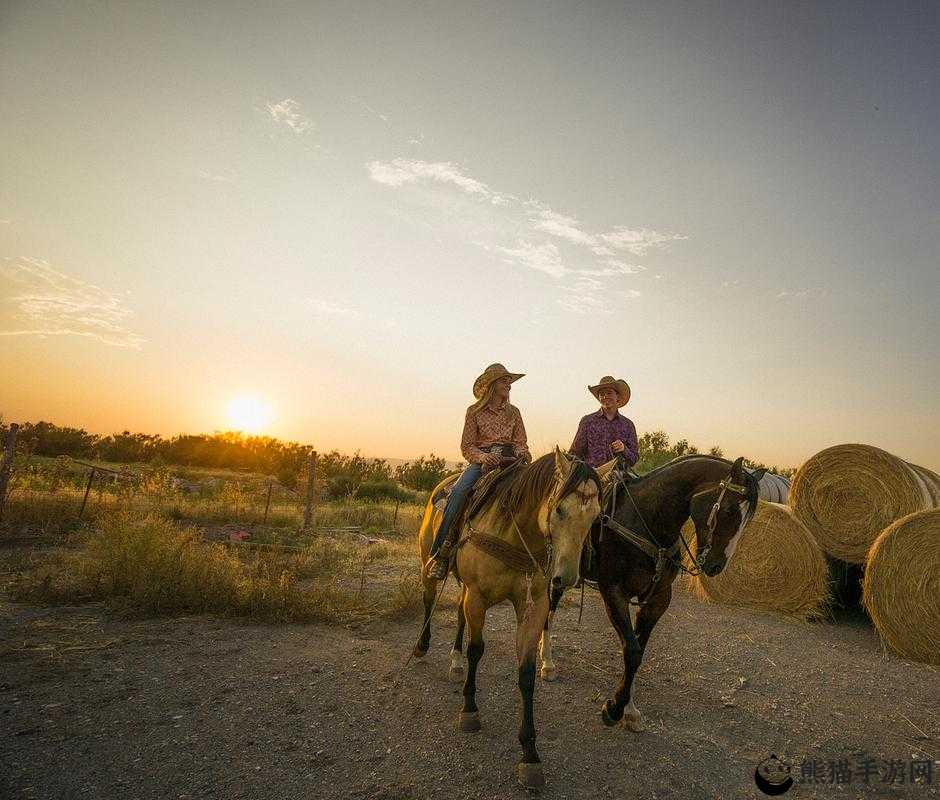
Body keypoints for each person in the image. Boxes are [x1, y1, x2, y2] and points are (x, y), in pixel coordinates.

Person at [424, 363, 532, 581]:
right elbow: (467, 446)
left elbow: (521, 442)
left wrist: (523, 453)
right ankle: (441, 553)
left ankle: (536, 554)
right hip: (483, 462)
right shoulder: (474, 412)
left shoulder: (515, 412)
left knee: (536, 492)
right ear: (492, 385)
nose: (508, 386)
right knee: (458, 492)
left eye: (509, 382)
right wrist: (483, 457)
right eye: (504, 381)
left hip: (512, 461)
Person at [569, 376, 639, 469]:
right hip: (592, 479)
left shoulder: (628, 425)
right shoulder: (587, 422)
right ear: (598, 398)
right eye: (602, 394)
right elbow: (574, 454)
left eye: (609, 393)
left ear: (617, 396)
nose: (605, 396)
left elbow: (634, 459)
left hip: (622, 479)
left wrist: (624, 449)